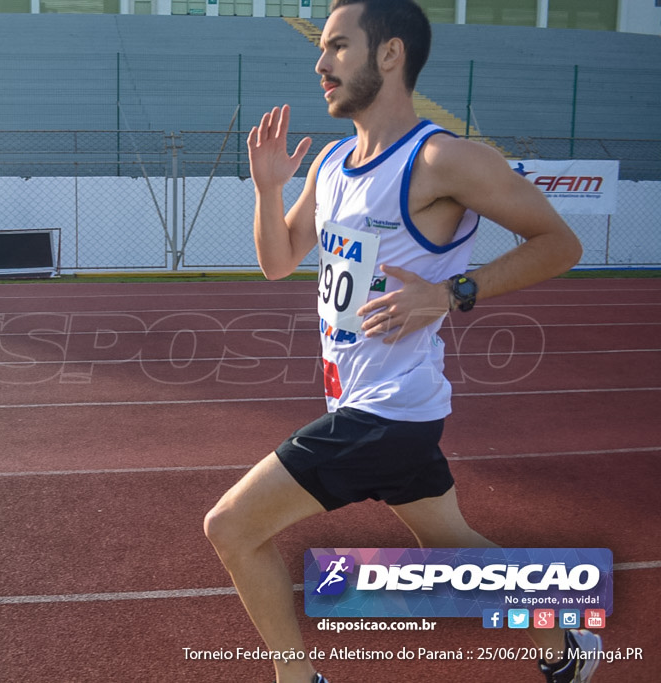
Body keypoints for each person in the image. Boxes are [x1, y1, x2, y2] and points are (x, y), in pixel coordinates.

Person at [201, 1, 599, 682]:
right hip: (370, 404)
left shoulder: (442, 159)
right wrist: (269, 190)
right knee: (455, 552)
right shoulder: (330, 163)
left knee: (230, 526)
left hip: (388, 409)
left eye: (337, 47)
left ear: (389, 56)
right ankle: (564, 643)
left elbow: (561, 243)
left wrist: (451, 292)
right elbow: (277, 259)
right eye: (322, 49)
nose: (320, 64)